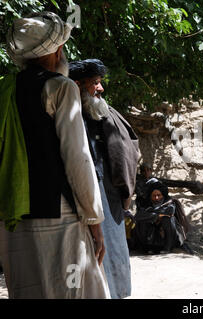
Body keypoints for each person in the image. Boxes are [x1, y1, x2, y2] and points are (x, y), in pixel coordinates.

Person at [0, 12, 110, 298]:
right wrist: (95, 220)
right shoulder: (61, 87)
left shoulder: (5, 89)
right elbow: (78, 159)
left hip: (12, 215)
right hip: (58, 215)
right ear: (56, 50)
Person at [69, 59, 140, 299]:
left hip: (110, 202)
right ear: (77, 85)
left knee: (115, 262)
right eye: (95, 83)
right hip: (86, 202)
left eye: (100, 83)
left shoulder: (100, 115)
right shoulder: (71, 122)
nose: (100, 89)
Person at [131, 179, 191, 254]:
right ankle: (148, 247)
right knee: (143, 221)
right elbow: (138, 216)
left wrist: (152, 215)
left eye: (158, 195)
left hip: (169, 235)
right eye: (154, 196)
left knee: (167, 219)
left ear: (163, 195)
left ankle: (168, 246)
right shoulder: (146, 204)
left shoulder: (169, 203)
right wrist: (156, 216)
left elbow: (168, 212)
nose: (156, 198)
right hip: (152, 235)